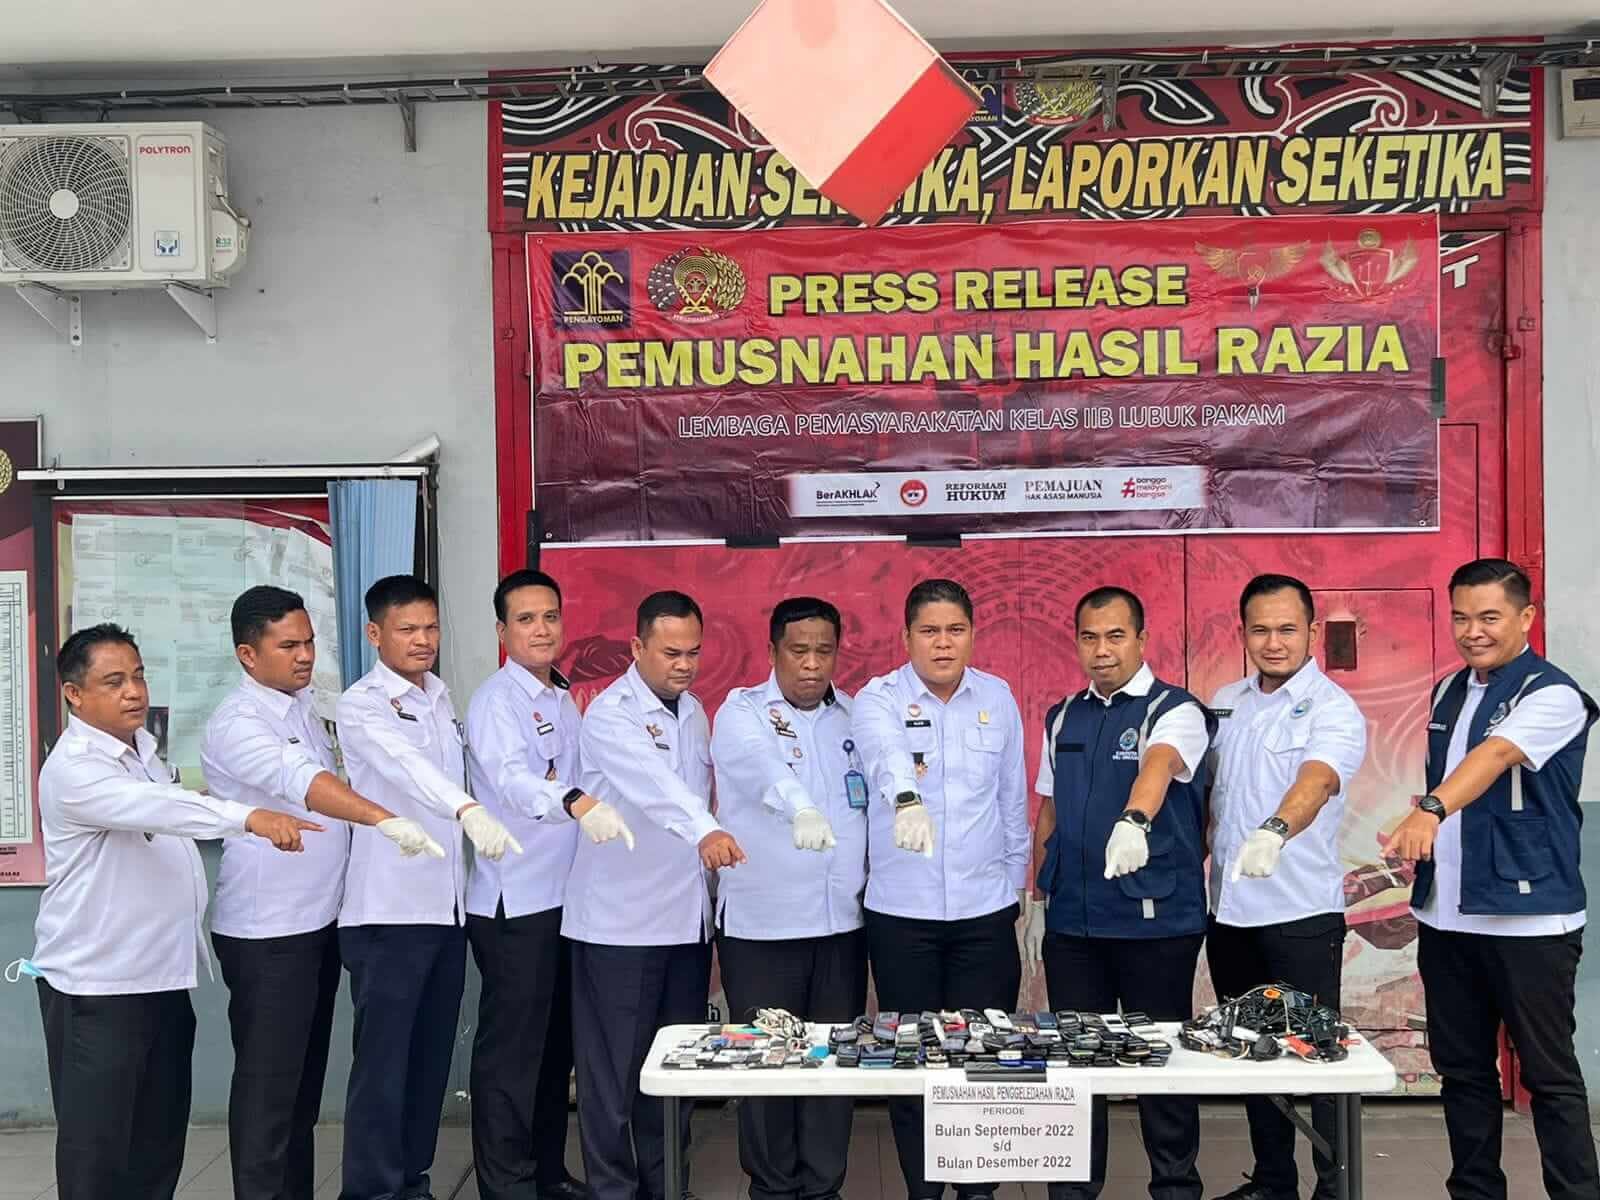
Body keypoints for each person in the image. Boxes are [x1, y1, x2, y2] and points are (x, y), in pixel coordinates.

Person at [24, 623, 318, 1200]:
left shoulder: (142, 751)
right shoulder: (74, 769)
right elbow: (160, 809)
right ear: (74, 694)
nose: (134, 691)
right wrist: (250, 817)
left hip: (160, 978)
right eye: (114, 681)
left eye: (138, 676)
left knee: (156, 1147)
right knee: (99, 1155)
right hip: (98, 987)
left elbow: (167, 804)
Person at [204, 586, 445, 1200]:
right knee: (269, 1091)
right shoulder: (239, 722)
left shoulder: (307, 708)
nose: (305, 655)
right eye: (288, 645)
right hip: (268, 931)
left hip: (317, 922)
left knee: (302, 1091)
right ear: (248, 654)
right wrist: (383, 819)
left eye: (309, 642)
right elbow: (305, 782)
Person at [1388, 558, 1599, 1200]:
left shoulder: (1553, 694)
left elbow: (1497, 753)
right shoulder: (1449, 691)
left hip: (1529, 921)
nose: (1472, 631)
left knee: (1549, 1076)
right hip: (1447, 917)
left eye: (1489, 617)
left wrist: (1429, 809)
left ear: (1526, 617)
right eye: (1460, 618)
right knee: (1462, 1072)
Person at [335, 574, 523, 1200]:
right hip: (387, 913)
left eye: (431, 627)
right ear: (374, 633)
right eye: (407, 629)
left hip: (446, 911)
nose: (423, 640)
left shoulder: (440, 698)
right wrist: (468, 809)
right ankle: (371, 1190)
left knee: (427, 1063)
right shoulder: (362, 705)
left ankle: (411, 1180)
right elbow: (407, 768)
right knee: (383, 1067)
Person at [1032, 586, 1214, 1200]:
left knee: (1161, 1067)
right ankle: (1072, 1192)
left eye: (1115, 636)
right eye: (1089, 637)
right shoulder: (1063, 716)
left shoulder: (1176, 709)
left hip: (1154, 924)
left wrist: (1134, 820)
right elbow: (1050, 809)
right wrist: (1038, 895)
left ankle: (1175, 1188)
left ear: (1141, 639)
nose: (1102, 650)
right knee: (1075, 1070)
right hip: (1074, 927)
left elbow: (1158, 765)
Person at [564, 590, 746, 1200]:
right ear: (637, 646)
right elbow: (655, 786)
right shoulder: (610, 715)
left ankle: (669, 1186)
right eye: (671, 653)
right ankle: (614, 1191)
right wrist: (706, 830)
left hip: (684, 923)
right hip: (620, 925)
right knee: (611, 1077)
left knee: (675, 1070)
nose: (685, 665)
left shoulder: (694, 711)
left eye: (694, 652)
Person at [852, 577, 1029, 1200]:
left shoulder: (997, 697)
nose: (943, 642)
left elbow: (1012, 800)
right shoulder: (878, 698)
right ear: (906, 638)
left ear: (973, 634)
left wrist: (1014, 888)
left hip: (984, 913)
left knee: (983, 1056)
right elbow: (884, 754)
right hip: (903, 916)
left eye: (955, 630)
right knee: (914, 1061)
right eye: (929, 631)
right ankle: (923, 1189)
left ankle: (978, 1188)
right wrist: (907, 799)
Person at [465, 569, 632, 1200]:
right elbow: (510, 781)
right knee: (513, 1053)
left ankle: (546, 1172)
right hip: (517, 902)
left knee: (555, 1048)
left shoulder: (561, 695)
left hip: (566, 899)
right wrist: (571, 801)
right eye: (526, 619)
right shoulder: (495, 702)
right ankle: (506, 1184)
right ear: (502, 630)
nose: (541, 629)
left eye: (551, 616)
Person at [1203, 575, 1367, 1200]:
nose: (1274, 642)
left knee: (1317, 1057)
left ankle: (1334, 1188)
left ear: (1312, 632)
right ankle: (1273, 1181)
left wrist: (1274, 830)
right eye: (1261, 630)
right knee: (1252, 1052)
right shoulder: (1225, 702)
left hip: (1300, 916)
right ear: (1243, 634)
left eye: (1287, 629)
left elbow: (1317, 779)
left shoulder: (1333, 708)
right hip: (1230, 915)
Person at [713, 597, 869, 1200]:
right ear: (773, 650)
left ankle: (824, 1187)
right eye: (798, 651)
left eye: (823, 651)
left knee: (832, 1063)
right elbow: (758, 769)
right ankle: (773, 1189)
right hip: (763, 926)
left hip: (840, 925)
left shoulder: (854, 717)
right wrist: (799, 806)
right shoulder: (743, 712)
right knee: (768, 1067)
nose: (811, 664)